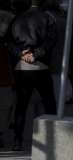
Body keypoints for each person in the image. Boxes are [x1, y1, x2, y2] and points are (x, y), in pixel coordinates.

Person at [8, 0, 57, 151]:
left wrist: (22, 55)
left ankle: (17, 142)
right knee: (49, 103)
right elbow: (50, 42)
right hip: (41, 66)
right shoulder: (47, 18)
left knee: (21, 106)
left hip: (22, 67)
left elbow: (9, 43)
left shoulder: (17, 18)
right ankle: (52, 139)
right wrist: (35, 55)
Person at [0, 1, 15, 148]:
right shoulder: (9, 19)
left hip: (4, 76)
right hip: (4, 77)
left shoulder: (8, 19)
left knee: (5, 107)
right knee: (4, 107)